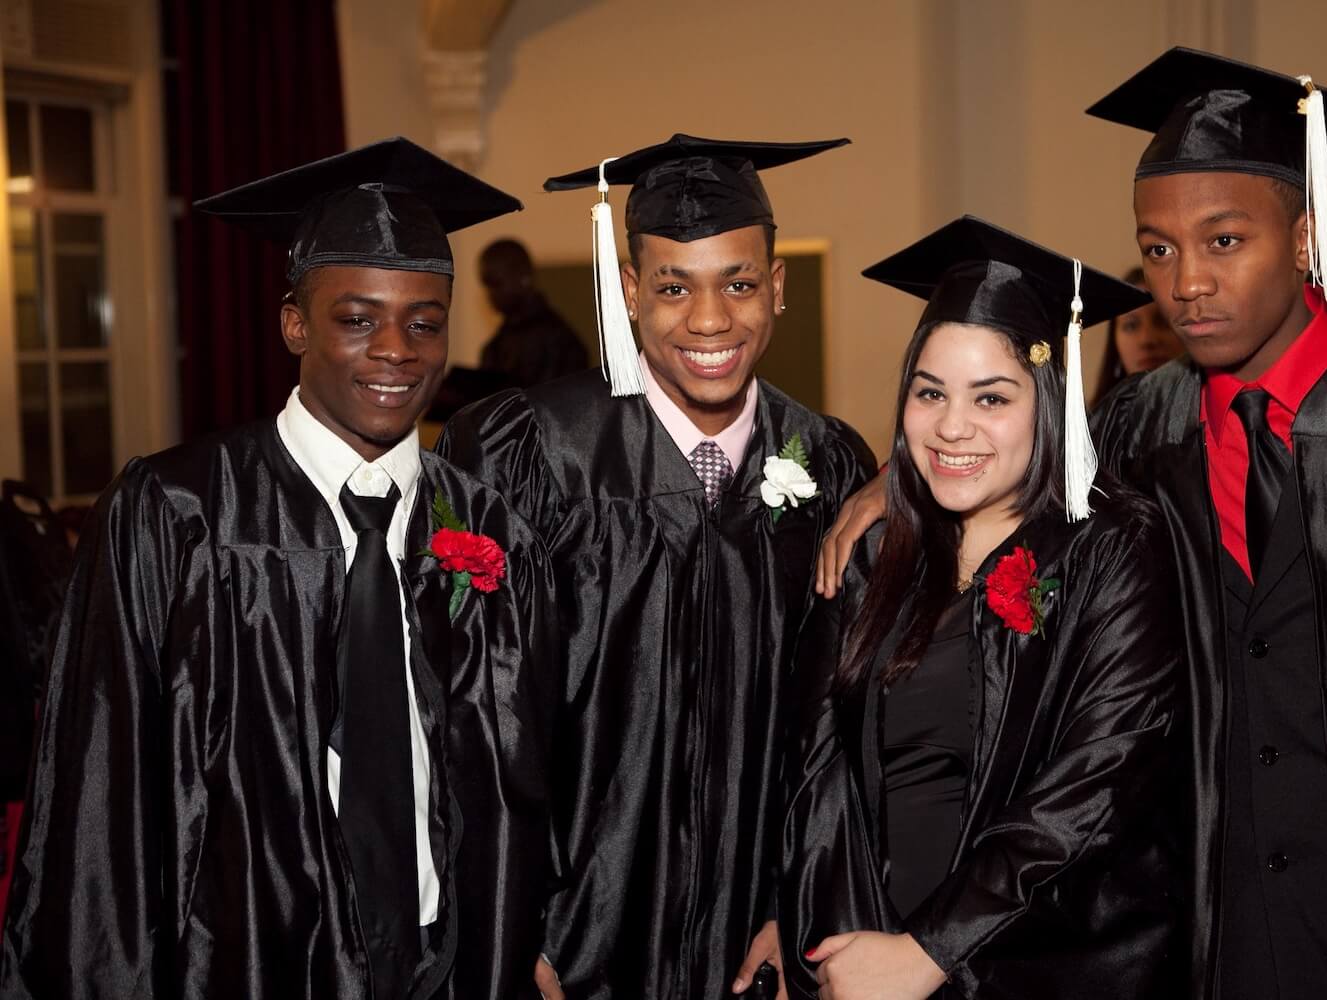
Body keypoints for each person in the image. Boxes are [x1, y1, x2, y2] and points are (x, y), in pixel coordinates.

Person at [815, 46, 1327, 1000]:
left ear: (1304, 238)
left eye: (1225, 241)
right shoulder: (1144, 422)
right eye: (1159, 248)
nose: (1186, 284)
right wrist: (892, 481)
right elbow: (1012, 449)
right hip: (1213, 922)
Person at [0, 138, 557, 1000]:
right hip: (248, 959)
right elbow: (103, 793)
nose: (397, 350)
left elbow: (524, 775)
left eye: (424, 321)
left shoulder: (484, 525)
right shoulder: (180, 514)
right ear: (295, 322)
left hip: (450, 960)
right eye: (357, 317)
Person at [438, 133, 876, 1000]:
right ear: (630, 290)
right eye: (673, 286)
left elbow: (843, 730)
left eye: (739, 283)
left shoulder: (831, 472)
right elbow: (472, 715)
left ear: (777, 289)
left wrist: (806, 908)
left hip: (755, 947)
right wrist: (509, 924)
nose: (709, 320)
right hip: (570, 947)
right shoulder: (532, 455)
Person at [780, 216, 1185, 1000]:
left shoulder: (1114, 550)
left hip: (1053, 966)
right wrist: (825, 937)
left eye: (991, 397)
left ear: (1048, 403)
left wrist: (929, 952)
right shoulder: (875, 555)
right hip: (873, 960)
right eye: (930, 393)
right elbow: (818, 772)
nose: (952, 427)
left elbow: (1099, 781)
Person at [476, 238, 589, 387]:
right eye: (487, 285)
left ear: (524, 277)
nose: (491, 294)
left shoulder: (558, 340)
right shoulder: (495, 346)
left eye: (497, 283)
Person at [1090, 265, 1181, 406]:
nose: (1147, 340)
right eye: (1131, 326)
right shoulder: (1094, 424)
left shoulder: (1209, 417)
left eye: (1163, 321)